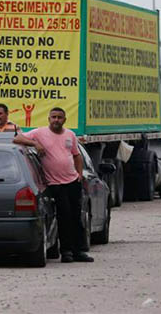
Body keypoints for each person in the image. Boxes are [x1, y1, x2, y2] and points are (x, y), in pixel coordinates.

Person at [13, 107, 93, 263]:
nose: (56, 120)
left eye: (60, 117)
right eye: (54, 117)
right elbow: (17, 139)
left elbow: (76, 156)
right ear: (49, 119)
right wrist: (35, 144)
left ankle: (79, 251)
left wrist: (79, 174)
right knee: (64, 216)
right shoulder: (39, 133)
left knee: (77, 216)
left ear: (64, 120)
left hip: (72, 181)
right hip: (55, 183)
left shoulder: (70, 134)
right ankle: (66, 252)